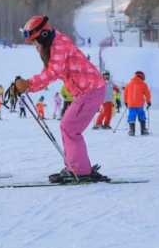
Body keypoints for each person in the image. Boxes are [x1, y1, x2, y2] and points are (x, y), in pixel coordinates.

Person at [14, 16, 108, 183]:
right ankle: (75, 166)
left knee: (69, 127)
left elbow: (53, 73)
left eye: (35, 41)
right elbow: (49, 71)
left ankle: (79, 169)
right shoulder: (57, 41)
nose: (34, 45)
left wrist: (28, 84)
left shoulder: (59, 46)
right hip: (89, 90)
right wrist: (28, 86)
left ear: (43, 35)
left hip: (90, 90)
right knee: (68, 127)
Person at [124, 71, 151, 136]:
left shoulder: (129, 84)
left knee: (131, 116)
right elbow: (147, 94)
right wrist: (148, 102)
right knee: (141, 115)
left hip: (131, 104)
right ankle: (143, 129)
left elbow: (125, 94)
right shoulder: (143, 84)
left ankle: (132, 131)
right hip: (139, 104)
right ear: (142, 76)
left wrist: (126, 102)